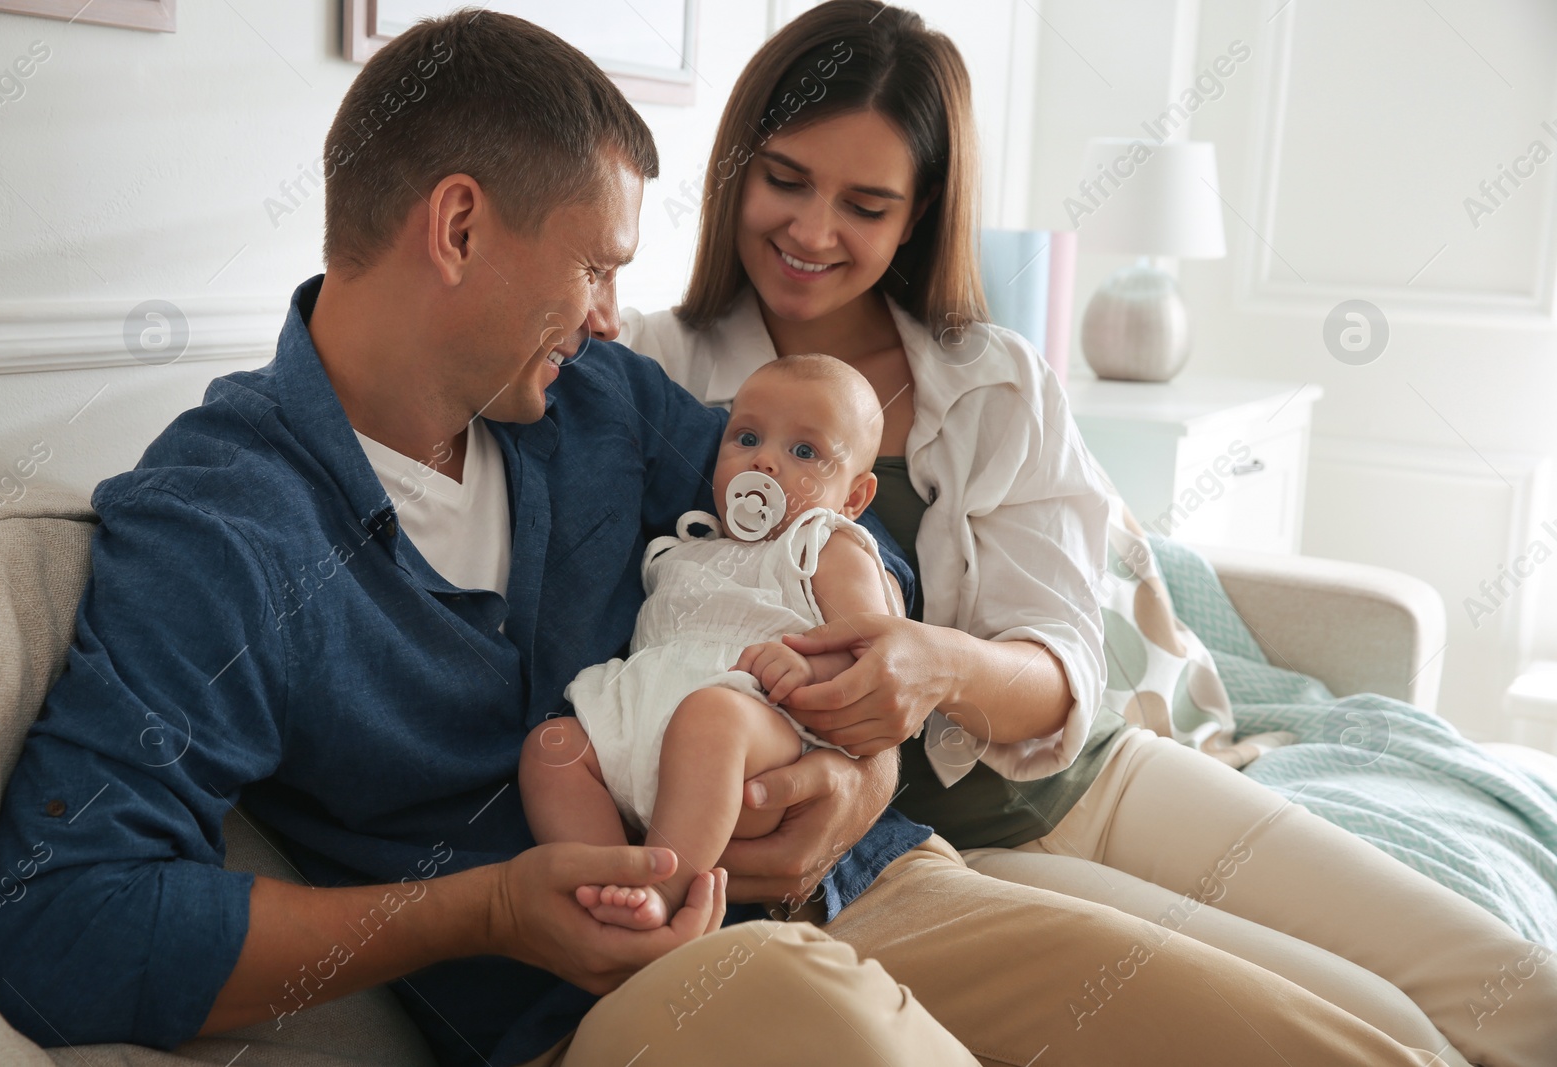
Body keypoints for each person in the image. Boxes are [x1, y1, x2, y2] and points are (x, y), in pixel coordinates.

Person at [0, 10, 1469, 1067]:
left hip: (879, 875)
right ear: (458, 228)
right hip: (616, 1000)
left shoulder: (600, 406)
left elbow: (836, 555)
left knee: (1365, 1042)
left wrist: (856, 762)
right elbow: (61, 922)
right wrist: (484, 906)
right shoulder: (221, 524)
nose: (622, 313)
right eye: (597, 267)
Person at [618, 3, 1557, 1067]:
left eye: (865, 203)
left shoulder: (994, 379)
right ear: (739, 164)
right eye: (785, 178)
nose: (812, 230)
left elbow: (1062, 662)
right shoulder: (654, 376)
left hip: (1094, 776)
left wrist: (936, 666)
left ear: (919, 214)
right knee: (1380, 1037)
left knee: (1510, 991)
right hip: (939, 846)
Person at [522, 354, 901, 930]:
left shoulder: (824, 546)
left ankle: (664, 896)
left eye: (805, 452)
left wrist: (809, 670)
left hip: (755, 743)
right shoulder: (688, 543)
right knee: (553, 747)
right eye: (746, 438)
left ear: (853, 498)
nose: (765, 460)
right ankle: (605, 884)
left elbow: (873, 656)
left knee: (713, 717)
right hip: (639, 728)